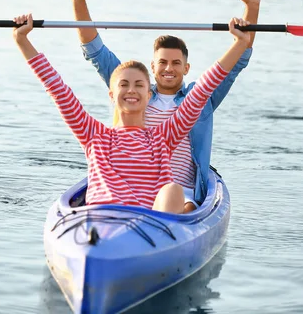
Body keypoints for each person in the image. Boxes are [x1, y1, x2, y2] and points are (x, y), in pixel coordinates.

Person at [13, 13, 252, 214]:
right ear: (111, 94)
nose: (131, 90)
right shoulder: (92, 133)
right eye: (124, 85)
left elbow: (204, 89)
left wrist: (239, 43)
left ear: (149, 95)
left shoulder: (164, 137)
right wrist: (22, 39)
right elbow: (56, 88)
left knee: (173, 190)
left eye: (139, 85)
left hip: (149, 227)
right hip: (103, 223)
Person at [71, 0, 261, 212]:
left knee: (183, 204)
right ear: (152, 67)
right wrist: (79, 0)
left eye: (176, 63)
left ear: (186, 68)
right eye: (162, 62)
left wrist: (251, 7)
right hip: (129, 186)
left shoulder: (200, 99)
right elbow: (95, 51)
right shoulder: (135, 90)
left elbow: (236, 61)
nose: (169, 68)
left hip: (182, 193)